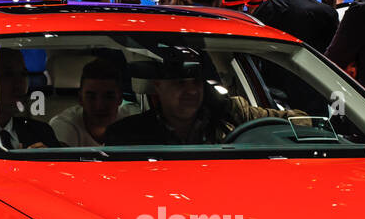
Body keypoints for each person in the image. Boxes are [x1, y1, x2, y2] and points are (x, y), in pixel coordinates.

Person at [104, 49, 309, 146]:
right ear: (158, 86)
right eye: (180, 83)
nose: (192, 90)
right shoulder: (127, 137)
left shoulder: (231, 113)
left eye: (196, 82)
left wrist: (319, 128)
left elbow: (293, 121)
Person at [49, 59, 137, 147]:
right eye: (91, 97)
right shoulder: (65, 125)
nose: (100, 106)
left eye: (109, 97)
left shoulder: (133, 119)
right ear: (80, 99)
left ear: (120, 99)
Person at [0, 48, 61, 149]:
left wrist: (45, 161)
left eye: (23, 74)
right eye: (8, 75)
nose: (20, 84)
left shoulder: (42, 132)